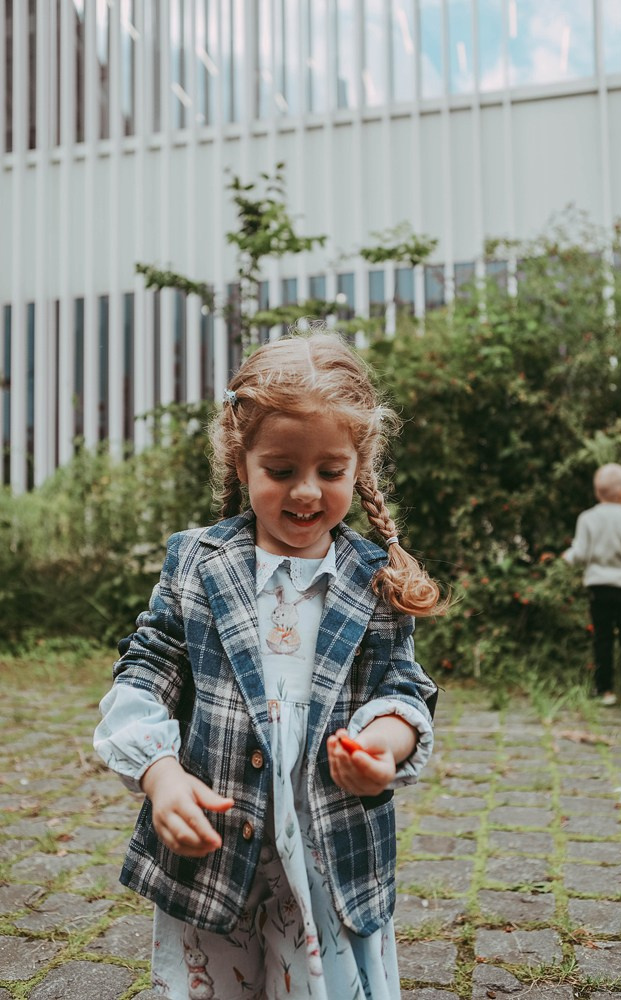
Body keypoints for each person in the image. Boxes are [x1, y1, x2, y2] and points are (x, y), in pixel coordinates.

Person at [94, 329, 447, 1000]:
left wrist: (381, 748)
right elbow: (146, 670)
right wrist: (161, 777)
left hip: (327, 860)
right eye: (281, 471)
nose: (307, 492)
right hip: (215, 856)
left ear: (358, 466)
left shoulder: (373, 580)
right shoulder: (197, 565)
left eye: (330, 471)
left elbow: (401, 687)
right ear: (242, 461)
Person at [562, 462, 621, 711]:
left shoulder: (588, 518)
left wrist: (566, 558)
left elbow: (580, 553)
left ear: (597, 492)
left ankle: (604, 690)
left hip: (598, 588)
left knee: (601, 638)